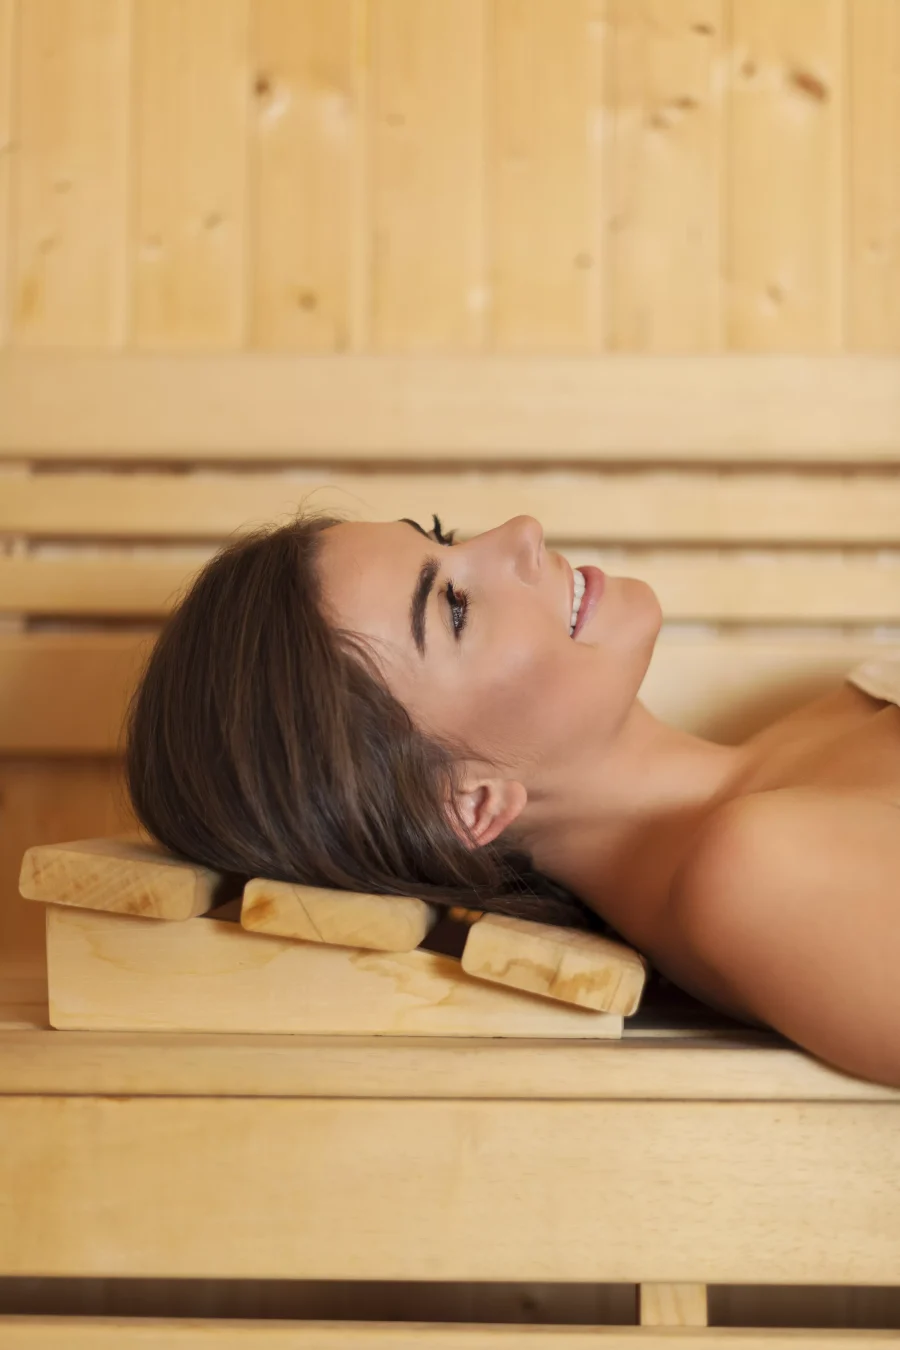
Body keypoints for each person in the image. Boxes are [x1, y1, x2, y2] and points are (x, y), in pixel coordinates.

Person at [126, 510, 900, 1080]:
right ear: (470, 803)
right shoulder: (764, 875)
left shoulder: (812, 730)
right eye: (453, 608)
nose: (521, 533)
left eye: (443, 533)